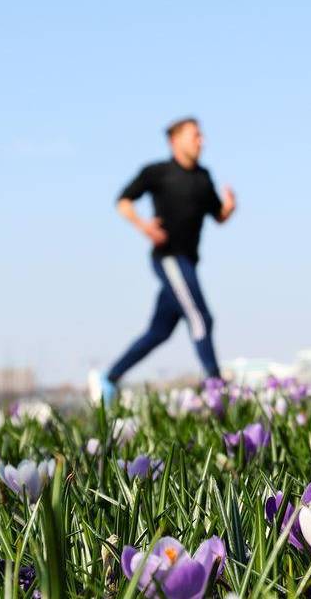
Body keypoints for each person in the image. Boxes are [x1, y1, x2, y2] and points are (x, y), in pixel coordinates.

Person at [91, 116, 236, 402]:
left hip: (189, 262)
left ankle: (110, 379)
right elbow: (123, 201)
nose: (201, 141)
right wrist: (143, 226)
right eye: (195, 135)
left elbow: (218, 216)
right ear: (175, 140)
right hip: (169, 258)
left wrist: (229, 207)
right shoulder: (157, 172)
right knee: (200, 317)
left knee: (159, 332)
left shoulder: (203, 178)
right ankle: (216, 389)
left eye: (201, 136)